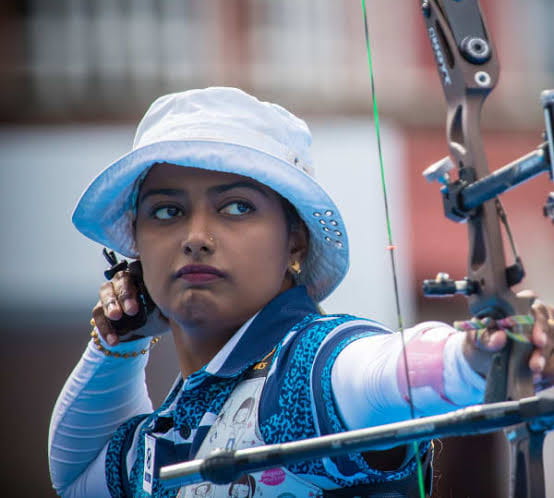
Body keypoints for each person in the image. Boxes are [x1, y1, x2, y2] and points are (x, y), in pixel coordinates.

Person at [48, 87, 554, 497]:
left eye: (237, 207)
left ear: (294, 237)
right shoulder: (169, 427)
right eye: (166, 211)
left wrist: (479, 353)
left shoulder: (303, 368)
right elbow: (74, 479)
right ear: (137, 246)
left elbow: (378, 373)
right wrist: (118, 342)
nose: (195, 236)